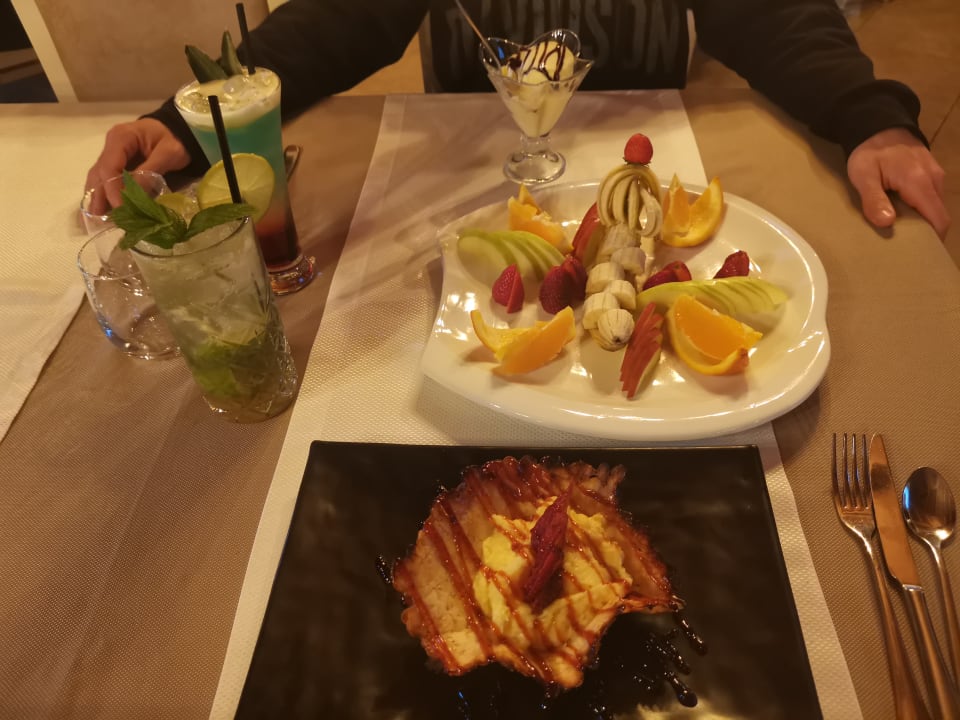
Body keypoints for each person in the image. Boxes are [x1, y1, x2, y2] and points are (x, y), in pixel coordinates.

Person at [85, 0, 950, 239]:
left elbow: (771, 13)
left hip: (648, 165)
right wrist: (196, 123)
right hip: (472, 187)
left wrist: (867, 115)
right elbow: (343, 16)